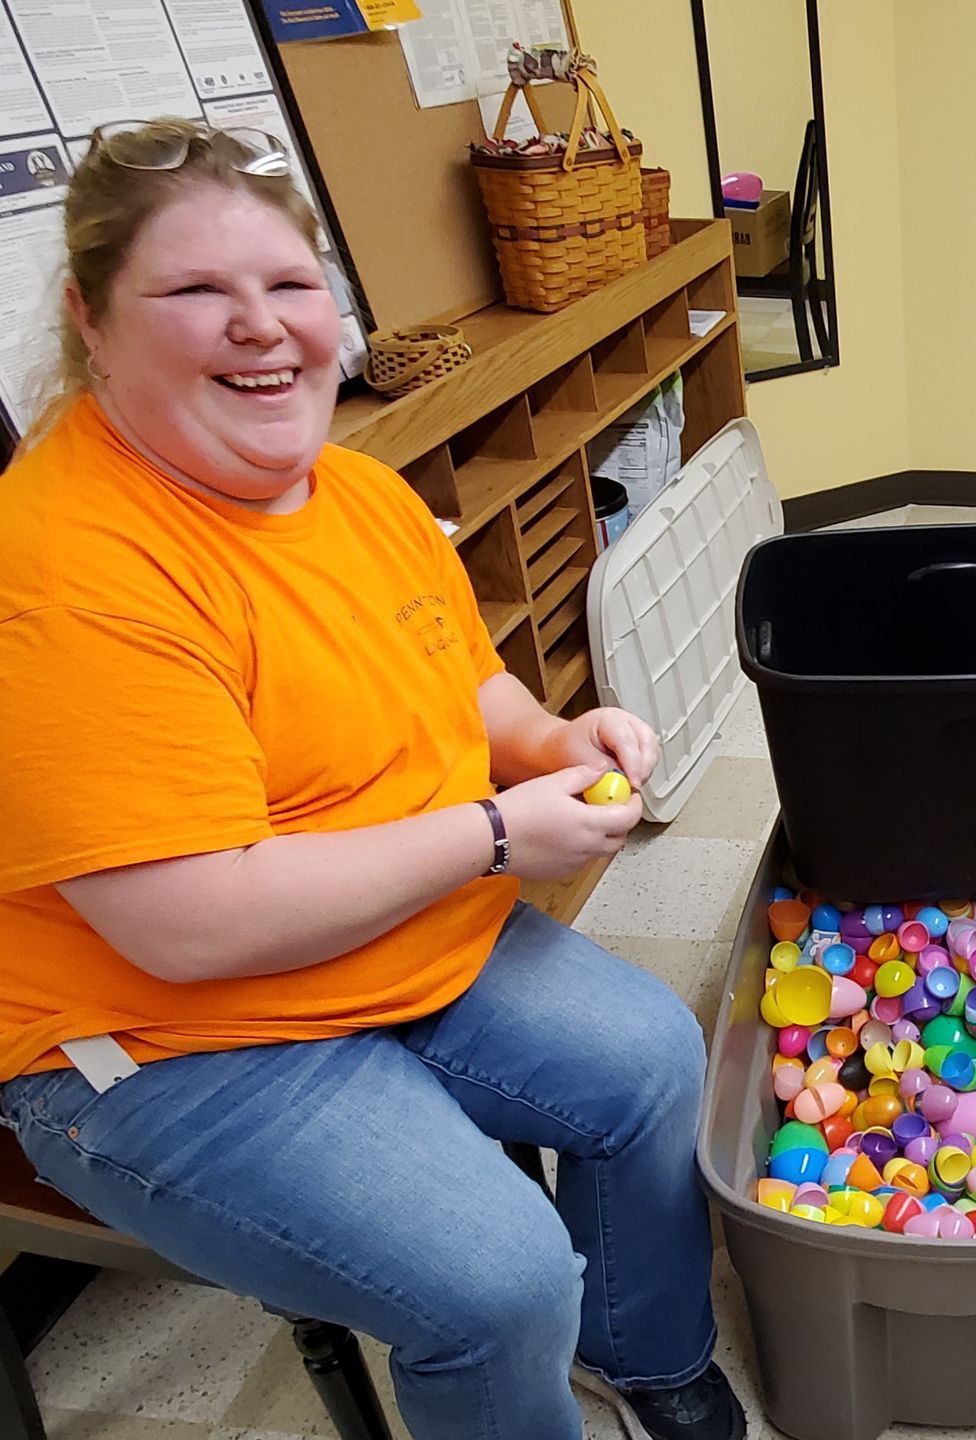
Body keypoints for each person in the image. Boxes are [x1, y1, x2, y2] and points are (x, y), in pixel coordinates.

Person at [0, 120, 743, 1440]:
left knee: (646, 1061)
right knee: (501, 1281)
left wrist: (552, 744)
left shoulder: (352, 489)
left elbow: (461, 677)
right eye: (194, 293)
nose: (261, 328)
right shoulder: (68, 575)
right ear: (90, 318)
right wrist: (489, 837)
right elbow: (187, 926)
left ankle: (645, 1354)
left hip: (383, 933)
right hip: (165, 1034)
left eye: (288, 287)